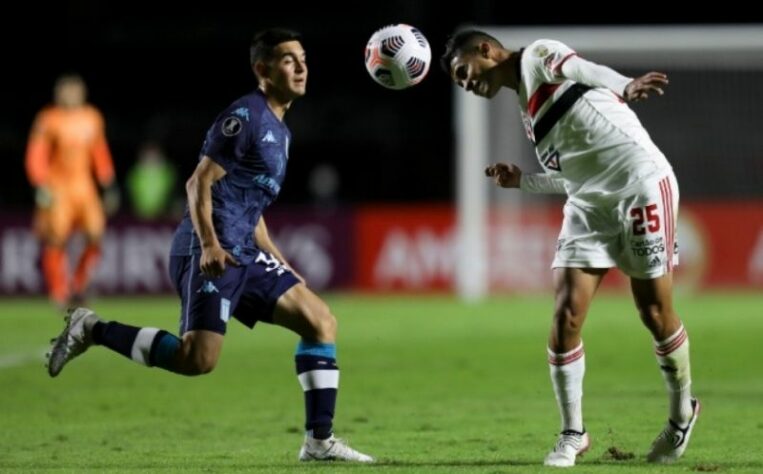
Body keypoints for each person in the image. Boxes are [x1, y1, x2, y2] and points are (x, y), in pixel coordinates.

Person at [46, 29, 373, 463]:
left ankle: (319, 442)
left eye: (303, 58)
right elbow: (198, 181)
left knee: (320, 321)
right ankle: (91, 329)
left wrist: (281, 261)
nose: (300, 67)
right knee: (196, 360)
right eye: (289, 60)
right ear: (262, 69)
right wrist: (209, 246)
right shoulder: (246, 116)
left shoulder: (281, 131)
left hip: (244, 250)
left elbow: (250, 207)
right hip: (209, 253)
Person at [441, 31, 699, 467]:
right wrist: (522, 180)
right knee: (565, 316)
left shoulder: (540, 56)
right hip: (587, 204)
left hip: (641, 187)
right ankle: (572, 433)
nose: (465, 84)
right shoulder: (529, 113)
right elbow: (573, 177)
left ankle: (681, 414)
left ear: (486, 51)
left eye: (463, 72)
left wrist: (624, 86)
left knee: (655, 313)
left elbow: (583, 69)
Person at [25, 74, 119, 308]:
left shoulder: (92, 117)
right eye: (65, 91)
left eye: (74, 91)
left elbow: (99, 152)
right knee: (56, 239)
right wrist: (39, 184)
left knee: (96, 234)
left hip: (85, 187)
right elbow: (37, 154)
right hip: (58, 187)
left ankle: (78, 284)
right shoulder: (48, 119)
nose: (69, 95)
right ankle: (58, 291)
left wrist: (108, 182)